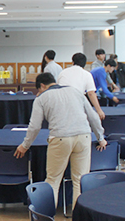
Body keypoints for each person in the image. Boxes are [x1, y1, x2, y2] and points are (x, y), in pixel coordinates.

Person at [14, 73, 107, 209]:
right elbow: (93, 117)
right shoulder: (75, 91)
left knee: (53, 180)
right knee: (80, 180)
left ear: (42, 86)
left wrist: (25, 145)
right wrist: (100, 138)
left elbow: (34, 127)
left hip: (60, 138)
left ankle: (48, 217)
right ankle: (78, 217)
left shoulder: (41, 98)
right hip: (84, 136)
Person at [57, 53, 105, 120]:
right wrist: (99, 110)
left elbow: (57, 88)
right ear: (85, 64)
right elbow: (91, 93)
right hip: (77, 105)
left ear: (73, 62)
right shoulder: (87, 74)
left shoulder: (63, 72)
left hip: (61, 104)